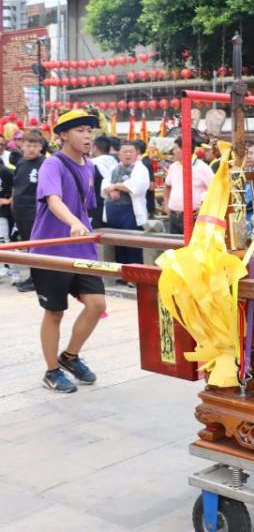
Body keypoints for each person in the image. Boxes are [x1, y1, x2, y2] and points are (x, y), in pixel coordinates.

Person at [29, 109, 107, 393]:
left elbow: (85, 207)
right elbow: (53, 200)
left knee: (97, 304)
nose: (88, 136)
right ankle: (52, 371)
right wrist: (73, 222)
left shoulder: (90, 166)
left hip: (81, 248)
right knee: (54, 312)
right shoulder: (53, 164)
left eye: (90, 130)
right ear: (63, 135)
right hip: (51, 249)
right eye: (81, 131)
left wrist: (86, 227)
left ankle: (70, 356)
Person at [102, 140, 150, 264]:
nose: (128, 154)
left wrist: (115, 186)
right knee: (118, 244)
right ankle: (121, 273)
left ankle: (134, 277)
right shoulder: (114, 168)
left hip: (129, 211)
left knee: (132, 244)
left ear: (137, 153)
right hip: (113, 210)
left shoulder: (141, 169)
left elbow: (136, 186)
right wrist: (111, 190)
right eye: (125, 151)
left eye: (131, 151)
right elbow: (104, 185)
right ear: (119, 154)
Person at [10, 131, 45, 292]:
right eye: (28, 145)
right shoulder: (21, 162)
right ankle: (33, 276)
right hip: (20, 209)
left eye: (35, 146)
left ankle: (38, 279)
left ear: (41, 147)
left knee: (36, 246)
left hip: (35, 210)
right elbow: (16, 186)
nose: (31, 149)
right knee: (27, 245)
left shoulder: (44, 163)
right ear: (22, 145)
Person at [163, 136, 214, 235]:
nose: (173, 152)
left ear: (184, 149)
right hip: (174, 216)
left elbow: (215, 189)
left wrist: (204, 207)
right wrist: (166, 204)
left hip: (194, 217)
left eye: (175, 148)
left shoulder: (202, 168)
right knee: (174, 247)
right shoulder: (173, 167)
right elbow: (167, 186)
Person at [90, 135, 118, 230]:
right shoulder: (117, 163)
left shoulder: (91, 165)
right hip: (114, 206)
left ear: (95, 148)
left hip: (95, 207)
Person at [133, 139, 157, 217]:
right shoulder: (144, 161)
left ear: (138, 150)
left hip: (146, 203)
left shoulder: (144, 163)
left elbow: (151, 186)